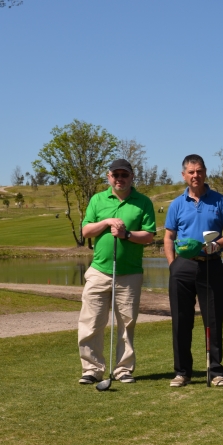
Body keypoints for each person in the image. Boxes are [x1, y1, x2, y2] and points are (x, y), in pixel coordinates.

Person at [78, 158, 156, 385]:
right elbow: (86, 231)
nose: (120, 179)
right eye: (116, 175)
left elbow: (149, 236)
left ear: (132, 177)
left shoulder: (143, 202)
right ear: (108, 176)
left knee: (126, 324)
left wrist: (127, 235)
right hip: (99, 271)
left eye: (124, 175)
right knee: (91, 322)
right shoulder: (97, 199)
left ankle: (123, 369)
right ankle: (92, 369)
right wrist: (107, 221)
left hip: (129, 273)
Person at [163, 154, 223, 387]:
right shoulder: (176, 204)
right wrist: (172, 264)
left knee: (213, 321)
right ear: (184, 175)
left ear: (205, 173)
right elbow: (169, 236)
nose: (196, 175)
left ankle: (215, 372)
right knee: (181, 321)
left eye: (200, 171)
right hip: (182, 267)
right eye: (191, 172)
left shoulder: (220, 201)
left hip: (211, 264)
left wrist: (219, 244)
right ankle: (182, 372)